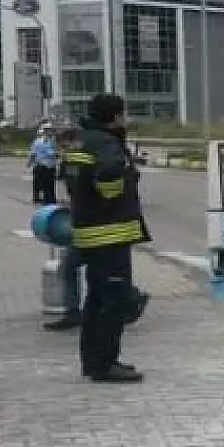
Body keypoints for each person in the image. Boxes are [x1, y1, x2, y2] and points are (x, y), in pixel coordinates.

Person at [60, 94, 150, 383]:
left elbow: (68, 175)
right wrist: (114, 192)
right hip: (110, 232)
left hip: (87, 232)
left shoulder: (80, 140)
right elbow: (110, 173)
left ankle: (92, 361)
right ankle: (105, 363)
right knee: (114, 299)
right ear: (115, 117)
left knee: (96, 299)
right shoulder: (106, 143)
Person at [43, 125, 149, 332]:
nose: (62, 150)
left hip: (99, 228)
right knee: (84, 270)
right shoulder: (73, 162)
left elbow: (114, 184)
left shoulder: (99, 157)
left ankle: (127, 299)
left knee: (87, 270)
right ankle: (124, 299)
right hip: (85, 227)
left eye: (64, 145)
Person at [27, 124, 59, 204]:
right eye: (47, 130)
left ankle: (48, 199)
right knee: (39, 183)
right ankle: (39, 198)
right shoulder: (38, 141)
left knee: (49, 184)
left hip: (49, 166)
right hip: (41, 165)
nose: (49, 132)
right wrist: (29, 163)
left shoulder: (53, 142)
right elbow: (33, 153)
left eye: (50, 130)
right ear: (44, 131)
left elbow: (56, 154)